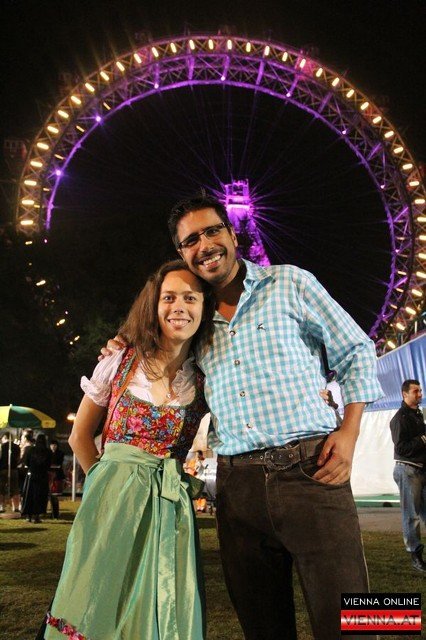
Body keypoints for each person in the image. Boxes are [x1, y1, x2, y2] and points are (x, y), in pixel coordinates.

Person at [103, 194, 383, 640]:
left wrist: (349, 432)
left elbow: (357, 350)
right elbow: (159, 346)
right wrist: (122, 343)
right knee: (262, 626)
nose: (204, 245)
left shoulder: (290, 282)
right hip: (237, 489)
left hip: (311, 470)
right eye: (190, 240)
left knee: (354, 620)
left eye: (212, 230)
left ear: (233, 234)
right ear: (182, 253)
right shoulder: (193, 320)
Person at [43, 260, 215, 640]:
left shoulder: (205, 379)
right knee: (96, 599)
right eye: (169, 298)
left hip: (169, 507)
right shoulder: (120, 361)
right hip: (112, 503)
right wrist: (105, 485)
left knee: (160, 602)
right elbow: (79, 436)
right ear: (154, 305)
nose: (179, 307)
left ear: (205, 309)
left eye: (190, 298)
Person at [390, 379, 426, 572]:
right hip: (408, 470)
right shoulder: (400, 418)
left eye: (420, 390)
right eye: (415, 391)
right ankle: (415, 556)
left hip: (420, 470)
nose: (420, 394)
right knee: (411, 516)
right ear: (404, 394)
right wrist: (423, 439)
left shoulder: (417, 414)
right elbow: (401, 448)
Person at [21, 433, 52, 523]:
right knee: (40, 496)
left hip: (31, 475)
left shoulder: (31, 450)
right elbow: (49, 464)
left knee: (29, 495)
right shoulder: (48, 452)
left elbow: (26, 462)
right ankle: (37, 516)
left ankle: (28, 516)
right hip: (42, 476)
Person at [0, 432, 21, 513]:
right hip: (14, 469)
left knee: (1, 488)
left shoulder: (2, 446)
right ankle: (16, 507)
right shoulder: (17, 447)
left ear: (5, 437)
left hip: (3, 469)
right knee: (15, 488)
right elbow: (18, 459)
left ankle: (1, 506)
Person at [49, 440, 65, 519]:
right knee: (50, 496)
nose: (53, 446)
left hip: (57, 476)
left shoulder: (60, 453)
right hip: (49, 476)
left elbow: (59, 463)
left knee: (55, 496)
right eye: (52, 445)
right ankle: (52, 513)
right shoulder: (48, 453)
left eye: (55, 445)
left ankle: (55, 513)